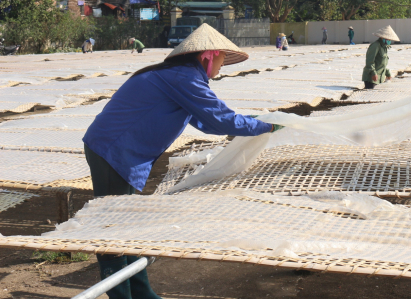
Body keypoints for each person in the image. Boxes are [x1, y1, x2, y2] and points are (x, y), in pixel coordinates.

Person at [83, 24, 282, 299]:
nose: (223, 66)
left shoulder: (181, 76)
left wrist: (256, 126)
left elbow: (207, 123)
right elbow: (219, 119)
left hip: (126, 152)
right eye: (222, 59)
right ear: (207, 57)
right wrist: (266, 127)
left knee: (126, 225)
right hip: (113, 151)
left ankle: (142, 294)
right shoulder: (183, 77)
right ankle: (122, 296)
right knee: (111, 229)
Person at [362, 25, 399, 90]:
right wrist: (373, 73)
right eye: (389, 39)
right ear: (383, 38)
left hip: (379, 78)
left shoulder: (384, 47)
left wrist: (388, 73)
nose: (389, 41)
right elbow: (369, 61)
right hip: (371, 78)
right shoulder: (375, 46)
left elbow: (382, 64)